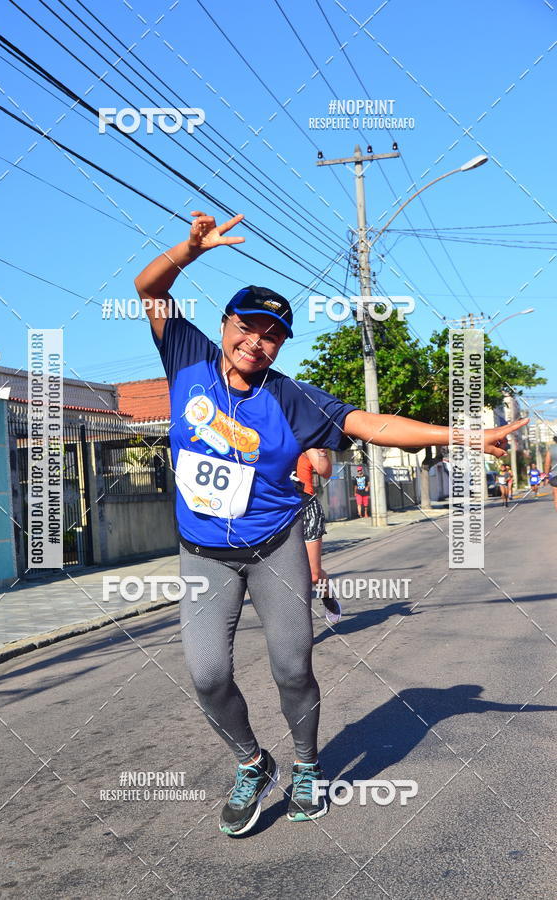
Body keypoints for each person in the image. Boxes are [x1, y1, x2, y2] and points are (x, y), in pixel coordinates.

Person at [134, 211, 527, 838]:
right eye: (247, 327)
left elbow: (373, 425)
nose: (255, 342)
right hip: (203, 550)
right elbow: (150, 290)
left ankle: (308, 763)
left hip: (275, 544)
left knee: (292, 667)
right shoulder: (187, 358)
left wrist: (467, 434)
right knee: (207, 675)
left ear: (281, 346)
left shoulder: (292, 398)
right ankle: (253, 762)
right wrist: (189, 249)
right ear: (224, 325)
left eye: (271, 335)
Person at [294, 449, 341, 626]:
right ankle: (298, 627)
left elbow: (325, 471)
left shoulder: (304, 435)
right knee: (288, 574)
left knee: (313, 575)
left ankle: (327, 596)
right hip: (277, 511)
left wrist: (320, 448)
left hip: (306, 509)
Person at [544, 435, 557, 512]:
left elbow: (547, 464)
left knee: (556, 496)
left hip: (555, 475)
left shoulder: (551, 449)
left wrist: (546, 476)